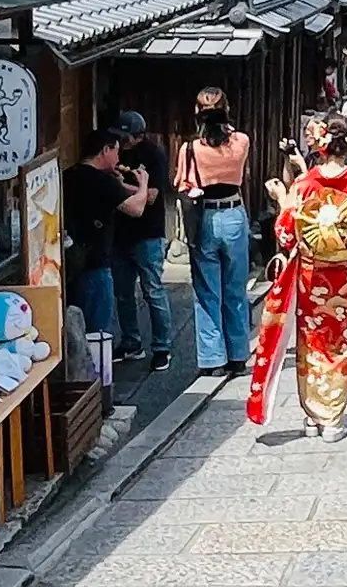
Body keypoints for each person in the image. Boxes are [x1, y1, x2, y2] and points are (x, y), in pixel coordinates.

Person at [246, 116, 347, 438]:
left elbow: (285, 233)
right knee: (341, 343)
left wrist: (283, 200)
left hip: (312, 278)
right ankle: (333, 419)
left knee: (312, 343)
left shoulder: (304, 184)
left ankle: (312, 416)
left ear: (321, 145)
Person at [179, 86, 260, 375]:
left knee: (207, 290)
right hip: (235, 213)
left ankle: (213, 359)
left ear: (198, 113)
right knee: (235, 287)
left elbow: (184, 187)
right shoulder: (241, 141)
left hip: (206, 218)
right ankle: (238, 354)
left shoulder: (191, 149)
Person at [112, 108, 172, 372]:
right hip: (119, 232)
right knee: (123, 293)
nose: (122, 143)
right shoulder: (113, 150)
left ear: (140, 136)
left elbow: (150, 197)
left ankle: (162, 347)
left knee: (153, 291)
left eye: (128, 138)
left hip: (148, 232)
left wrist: (118, 185)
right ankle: (131, 343)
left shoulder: (153, 155)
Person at [64, 127, 130, 363]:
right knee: (98, 334)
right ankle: (101, 392)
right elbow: (136, 207)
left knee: (75, 330)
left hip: (70, 262)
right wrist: (142, 185)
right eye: (116, 152)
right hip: (97, 264)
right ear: (105, 150)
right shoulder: (103, 181)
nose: (119, 158)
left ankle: (82, 386)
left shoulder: (68, 175)